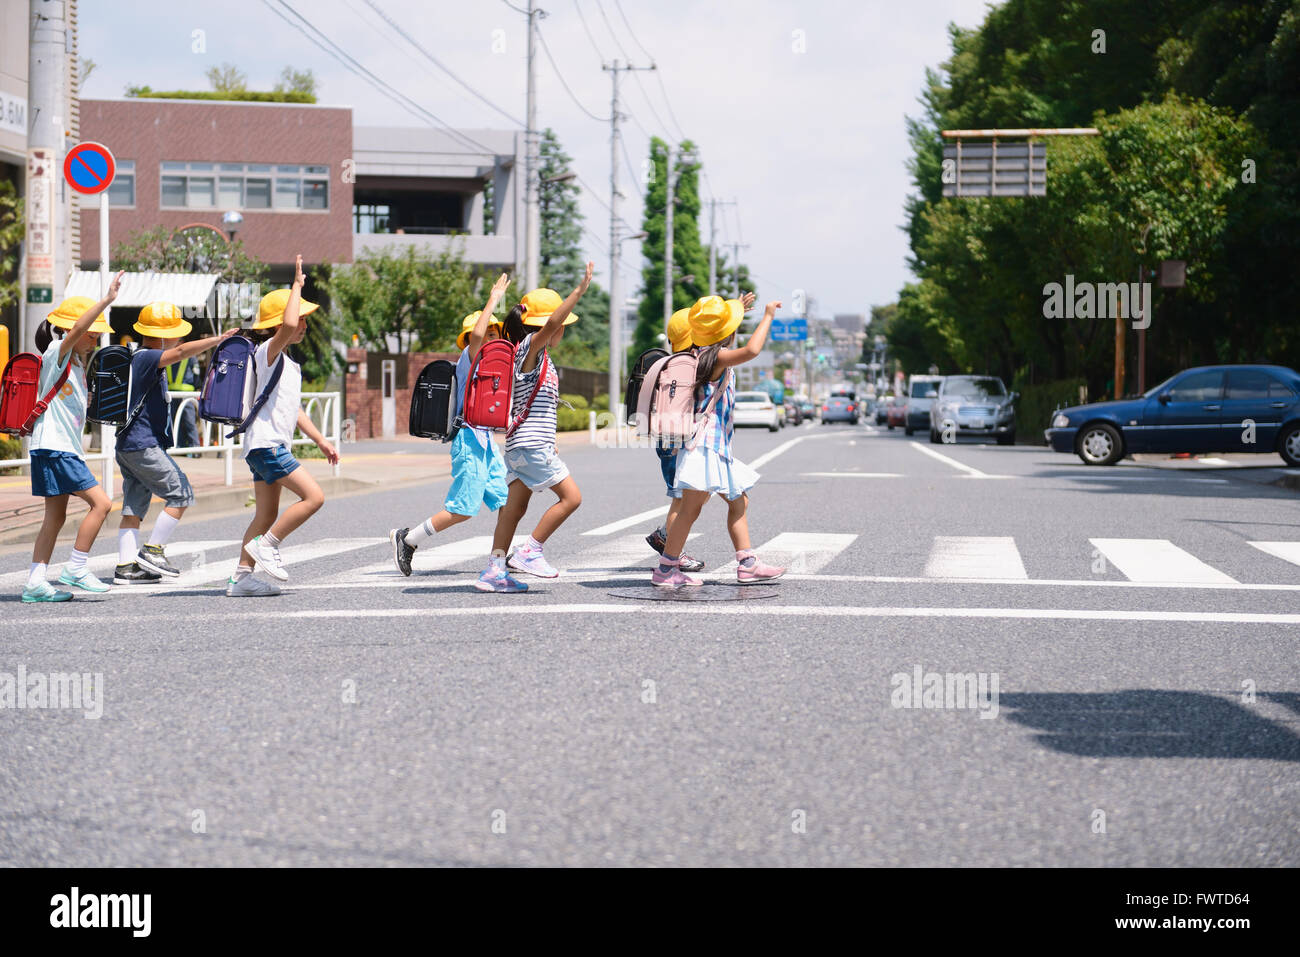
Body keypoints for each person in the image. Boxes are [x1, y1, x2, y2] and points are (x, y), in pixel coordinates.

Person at [389, 273, 526, 592]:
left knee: (508, 502)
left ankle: (499, 559)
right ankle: (408, 539)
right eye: (487, 331)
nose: (492, 336)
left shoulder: (496, 367)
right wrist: (493, 300)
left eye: (496, 331)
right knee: (463, 509)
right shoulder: (470, 359)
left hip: (487, 443)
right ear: (469, 340)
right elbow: (477, 334)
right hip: (468, 440)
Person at [655, 295, 787, 588]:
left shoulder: (702, 354)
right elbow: (752, 349)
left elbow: (713, 324)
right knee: (690, 509)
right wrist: (767, 316)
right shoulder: (713, 358)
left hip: (715, 448)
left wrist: (733, 305)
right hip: (704, 447)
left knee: (739, 499)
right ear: (725, 333)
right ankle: (666, 569)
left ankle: (747, 563)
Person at [226, 255, 339, 597]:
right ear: (279, 324)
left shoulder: (288, 364)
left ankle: (241, 579)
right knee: (314, 496)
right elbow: (287, 327)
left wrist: (320, 440)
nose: (304, 325)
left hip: (269, 445)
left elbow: (296, 410)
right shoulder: (267, 351)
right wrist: (296, 286)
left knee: (265, 513)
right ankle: (270, 545)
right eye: (301, 318)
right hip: (267, 444)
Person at [112, 302, 236, 584]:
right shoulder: (146, 358)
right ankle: (153, 551)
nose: (179, 339)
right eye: (176, 334)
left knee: (133, 508)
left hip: (128, 444)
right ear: (163, 336)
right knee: (181, 493)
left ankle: (126, 567)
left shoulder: (138, 357)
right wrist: (219, 340)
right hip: (143, 444)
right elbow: (180, 353)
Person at [489, 262, 593, 581]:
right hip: (530, 446)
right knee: (572, 498)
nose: (563, 329)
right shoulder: (528, 349)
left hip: (524, 445)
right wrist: (578, 290)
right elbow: (550, 325)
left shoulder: (542, 358)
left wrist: (552, 438)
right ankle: (530, 552)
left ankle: (494, 568)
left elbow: (537, 406)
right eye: (563, 324)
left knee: (514, 509)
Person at [21, 274, 123, 602]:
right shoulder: (57, 352)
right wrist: (106, 300)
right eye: (92, 332)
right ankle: (76, 568)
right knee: (102, 503)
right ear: (72, 331)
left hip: (57, 448)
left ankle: (36, 582)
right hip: (55, 448)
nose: (95, 337)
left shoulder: (77, 364)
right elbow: (78, 330)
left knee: (56, 516)